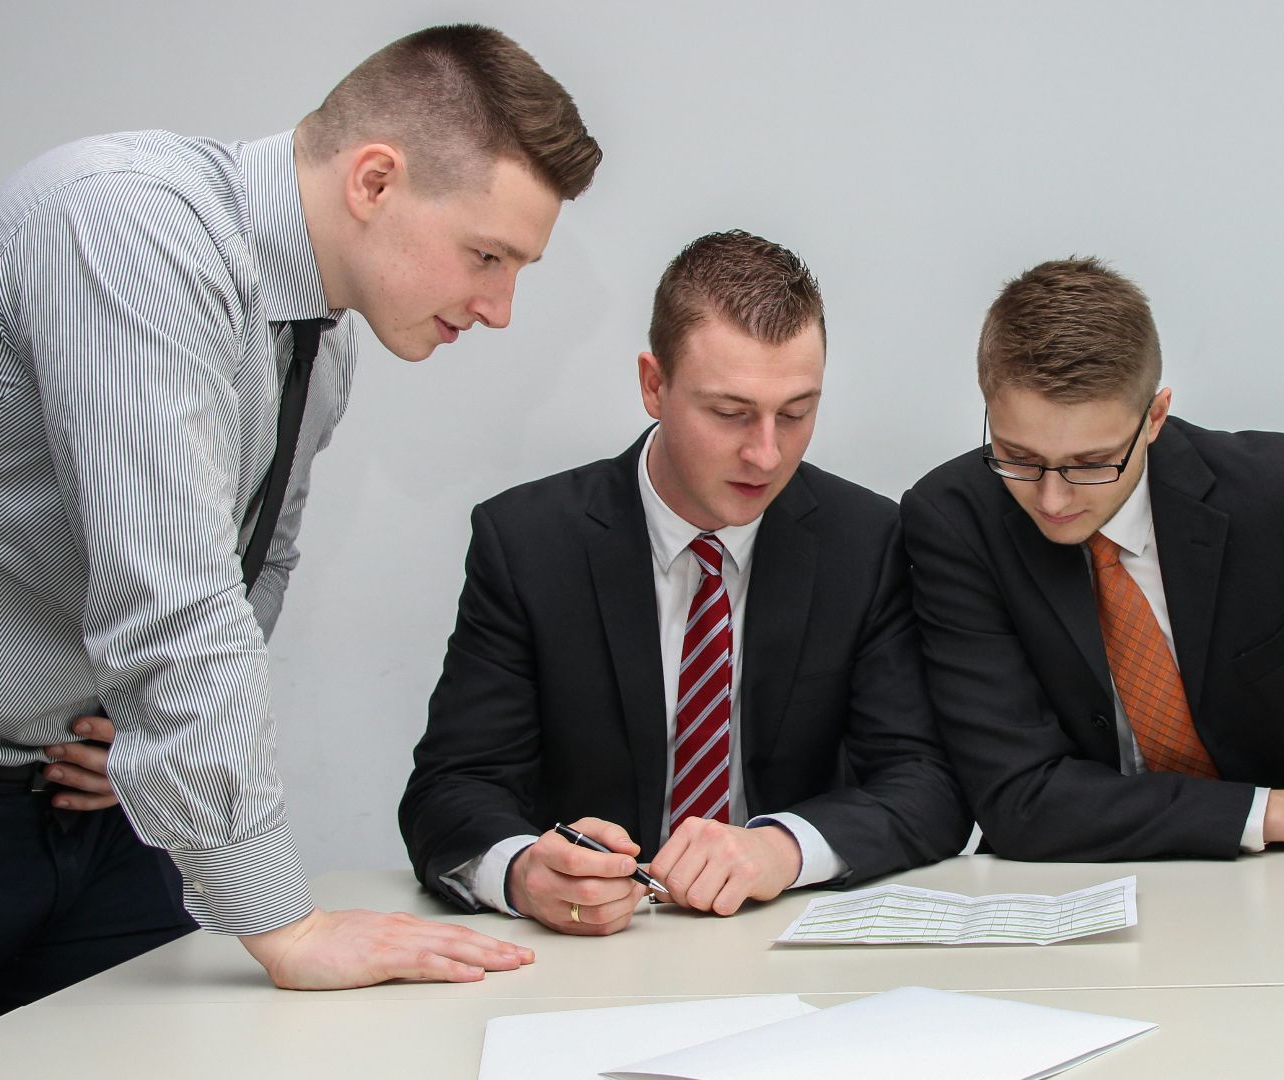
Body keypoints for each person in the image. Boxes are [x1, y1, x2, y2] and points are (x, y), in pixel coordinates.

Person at [0, 24, 603, 1035]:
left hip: (86, 809)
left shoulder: (320, 341)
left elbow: (257, 562)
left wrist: (141, 736)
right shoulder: (128, 226)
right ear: (375, 181)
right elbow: (174, 599)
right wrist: (285, 924)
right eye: (488, 255)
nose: (500, 306)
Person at [398, 230, 971, 934]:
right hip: (588, 956)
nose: (766, 453)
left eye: (795, 413)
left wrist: (780, 848)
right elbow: (451, 789)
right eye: (729, 413)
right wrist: (524, 873)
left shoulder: (865, 541)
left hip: (779, 942)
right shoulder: (528, 543)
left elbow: (927, 786)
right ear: (653, 385)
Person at [900, 257, 1284, 863]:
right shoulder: (954, 521)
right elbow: (1020, 800)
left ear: (1155, 417)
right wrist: (1276, 812)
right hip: (1090, 885)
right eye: (1017, 456)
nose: (1052, 499)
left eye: (1091, 464)